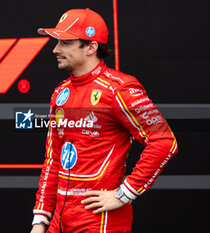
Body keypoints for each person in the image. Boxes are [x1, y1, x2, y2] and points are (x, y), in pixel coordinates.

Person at [30, 8, 178, 233]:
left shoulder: (120, 89)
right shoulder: (60, 93)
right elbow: (53, 160)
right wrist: (40, 221)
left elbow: (164, 141)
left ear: (91, 47)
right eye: (57, 42)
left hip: (99, 221)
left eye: (65, 43)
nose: (55, 49)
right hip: (58, 220)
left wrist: (124, 193)